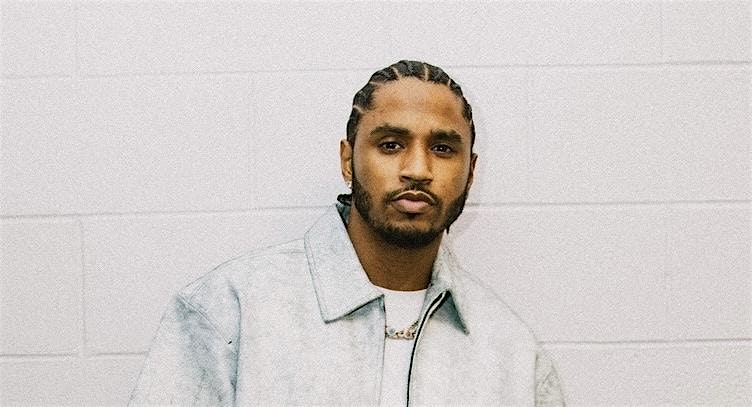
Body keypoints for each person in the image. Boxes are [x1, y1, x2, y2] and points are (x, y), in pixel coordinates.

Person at [130, 60, 565, 406]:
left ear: (470, 172)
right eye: (391, 144)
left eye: (442, 148)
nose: (417, 169)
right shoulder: (231, 309)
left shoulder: (512, 354)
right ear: (347, 161)